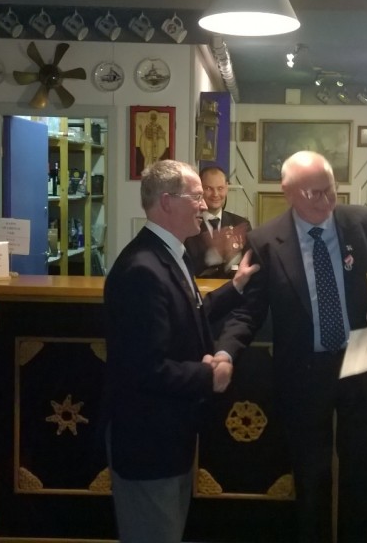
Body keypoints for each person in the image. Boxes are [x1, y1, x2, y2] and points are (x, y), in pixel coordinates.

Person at [216, 151, 367, 543]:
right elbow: (250, 312)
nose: (324, 200)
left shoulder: (364, 223)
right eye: (313, 193)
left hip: (364, 367)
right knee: (310, 484)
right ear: (287, 192)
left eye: (329, 190)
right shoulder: (265, 240)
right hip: (304, 377)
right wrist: (225, 352)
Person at [101, 160, 258, 543]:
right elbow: (145, 369)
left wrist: (235, 287)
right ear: (167, 202)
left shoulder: (171, 253)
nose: (204, 205)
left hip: (169, 439)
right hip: (149, 446)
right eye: (196, 197)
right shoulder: (142, 270)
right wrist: (210, 375)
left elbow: (190, 312)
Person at [184, 166, 251, 279]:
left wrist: (231, 257)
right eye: (208, 188)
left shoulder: (241, 224)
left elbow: (249, 267)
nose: (215, 194)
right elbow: (186, 268)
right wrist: (215, 254)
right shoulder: (187, 225)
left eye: (220, 188)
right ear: (199, 189)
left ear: (226, 188)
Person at [135, 109, 169, 178]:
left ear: (156, 119)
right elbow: (146, 134)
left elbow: (161, 134)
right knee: (148, 156)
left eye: (154, 118)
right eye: (152, 118)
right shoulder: (148, 126)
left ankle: (156, 171)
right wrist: (150, 135)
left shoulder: (158, 126)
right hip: (149, 143)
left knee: (156, 157)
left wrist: (160, 134)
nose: (153, 120)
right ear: (150, 119)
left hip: (156, 143)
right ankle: (147, 171)